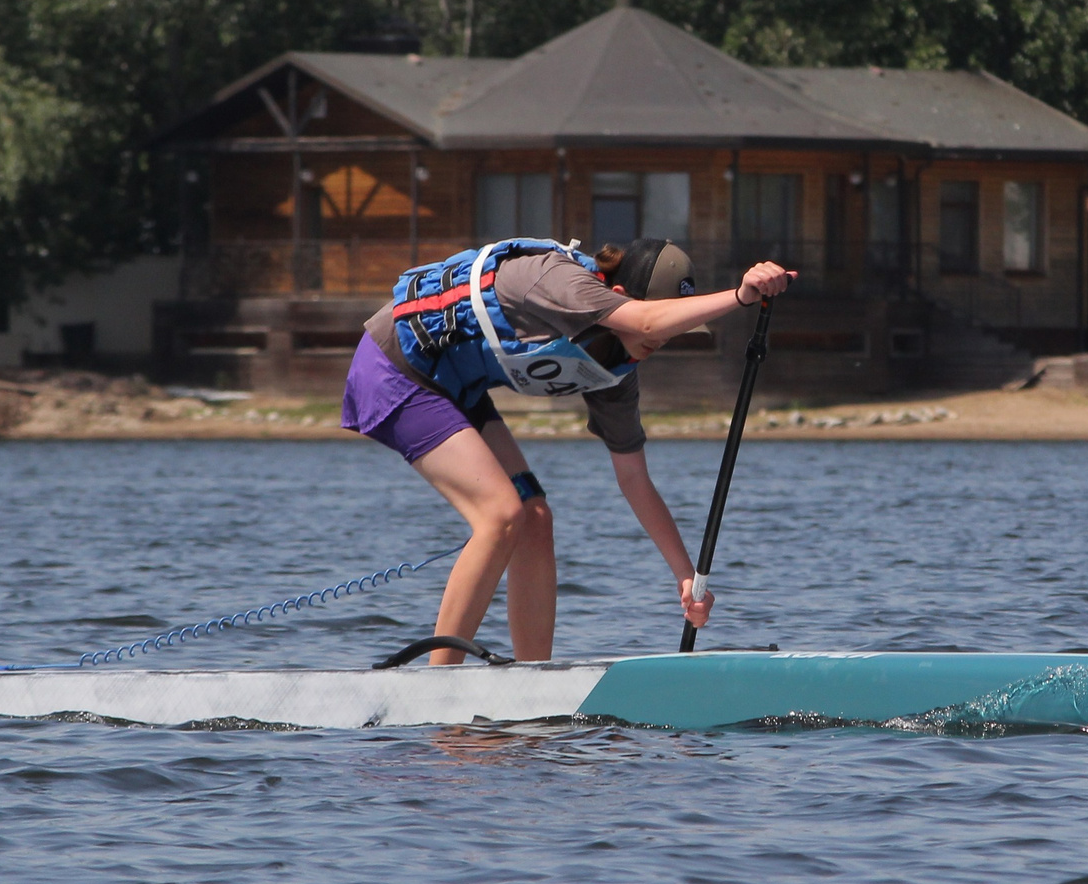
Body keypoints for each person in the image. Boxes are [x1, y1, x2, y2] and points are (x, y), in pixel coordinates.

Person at [341, 234, 795, 662]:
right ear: (616, 294)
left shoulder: (615, 371)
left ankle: (533, 680)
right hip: (393, 371)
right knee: (501, 514)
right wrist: (741, 297)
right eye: (664, 329)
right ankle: (437, 682)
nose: (659, 344)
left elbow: (635, 480)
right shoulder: (554, 279)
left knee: (535, 517)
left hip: (456, 387)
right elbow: (645, 320)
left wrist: (685, 577)